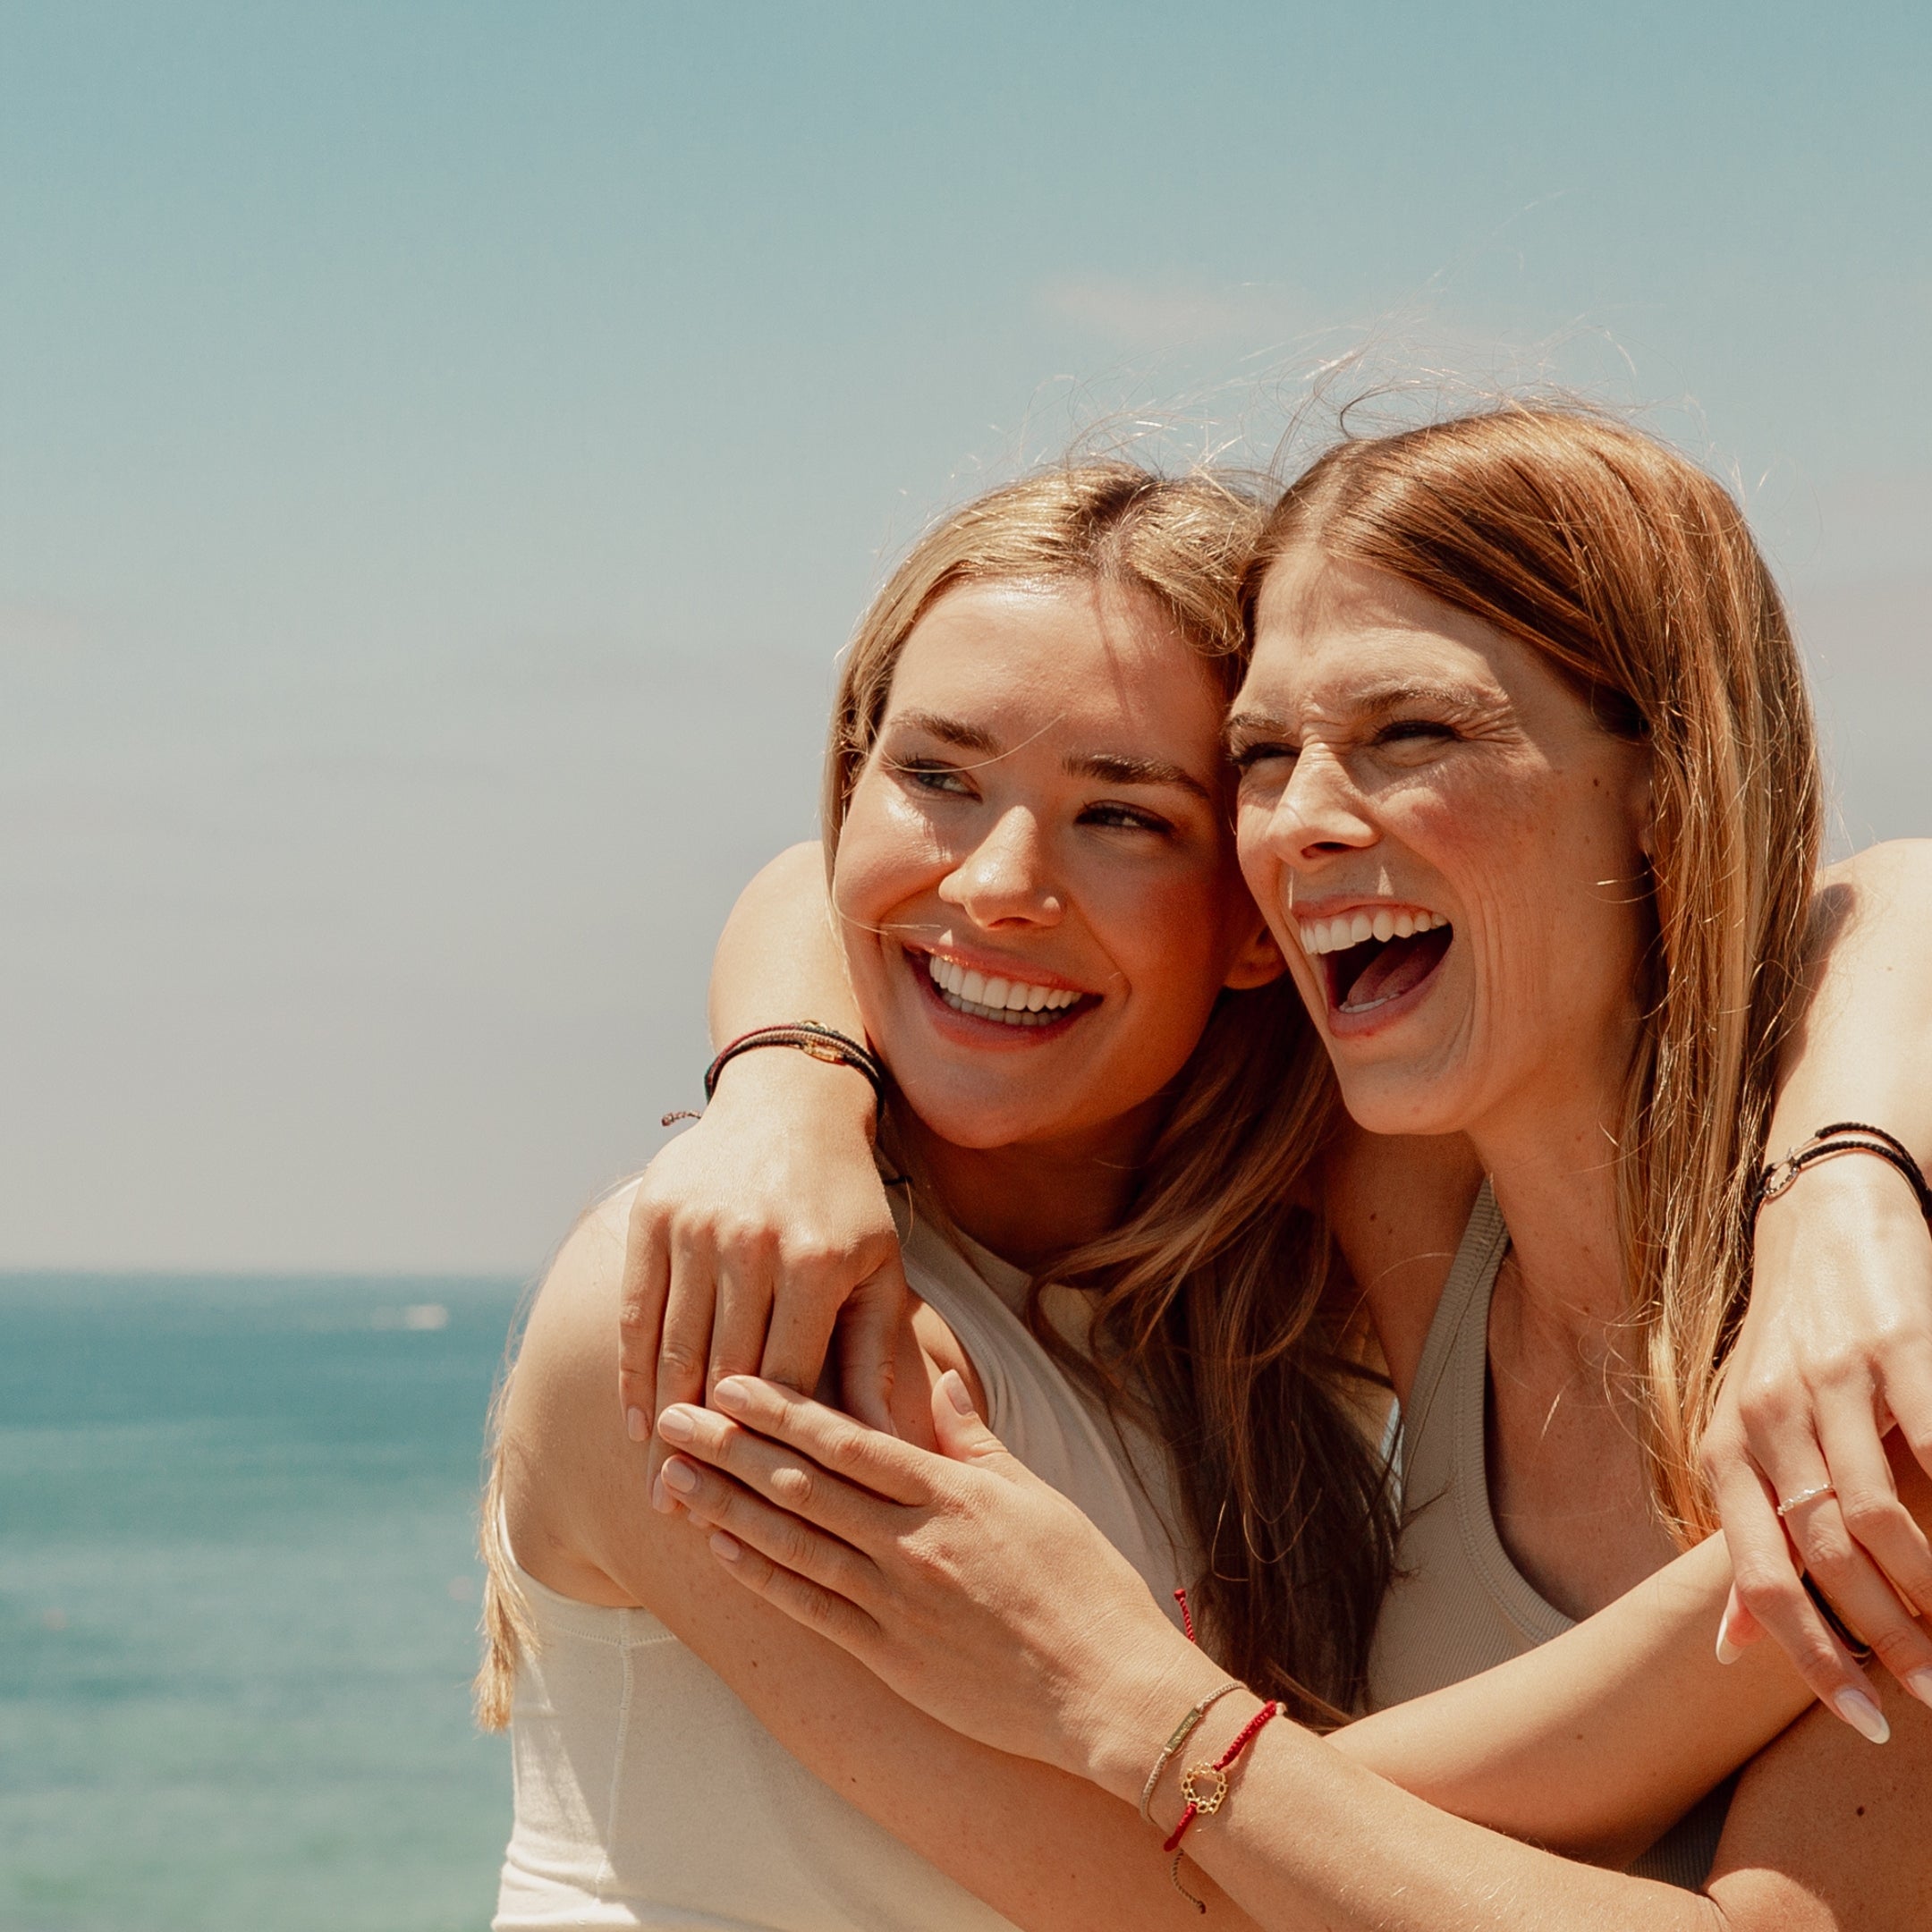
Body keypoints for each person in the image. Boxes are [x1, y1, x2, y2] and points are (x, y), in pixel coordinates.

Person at [480, 457, 1878, 1932]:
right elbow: (1210, 1902)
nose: (1000, 883)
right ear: (849, 790)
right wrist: (1829, 1560)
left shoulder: (1265, 1290)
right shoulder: (744, 1293)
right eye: (937, 777)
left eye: (1127, 815)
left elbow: (1879, 905)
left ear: (1255, 915)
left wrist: (1851, 1191)